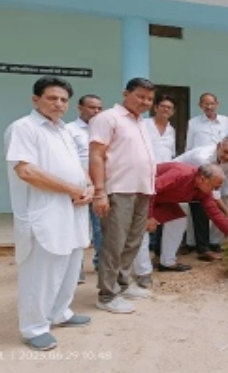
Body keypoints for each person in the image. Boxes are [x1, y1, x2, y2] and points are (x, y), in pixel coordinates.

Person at [5, 76, 92, 351]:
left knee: (70, 265)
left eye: (64, 100)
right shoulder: (24, 128)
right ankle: (33, 327)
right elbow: (26, 171)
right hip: (44, 212)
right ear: (36, 99)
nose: (58, 104)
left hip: (73, 209)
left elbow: (76, 165)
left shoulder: (64, 130)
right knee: (41, 271)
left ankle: (60, 312)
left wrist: (88, 186)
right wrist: (72, 189)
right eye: (52, 98)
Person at [89, 77, 156, 314]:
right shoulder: (108, 118)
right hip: (119, 189)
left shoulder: (141, 122)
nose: (145, 102)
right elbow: (96, 155)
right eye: (140, 96)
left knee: (133, 241)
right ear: (125, 93)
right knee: (114, 243)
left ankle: (124, 284)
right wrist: (99, 192)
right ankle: (107, 295)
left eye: (149, 98)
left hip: (142, 189)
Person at [147, 163, 228, 265]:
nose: (215, 190)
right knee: (141, 230)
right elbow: (151, 189)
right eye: (214, 187)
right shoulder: (181, 174)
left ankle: (167, 262)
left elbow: (214, 213)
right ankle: (143, 271)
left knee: (178, 219)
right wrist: (149, 216)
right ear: (202, 179)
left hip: (163, 200)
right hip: (143, 197)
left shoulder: (204, 191)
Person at [173, 137, 228, 261]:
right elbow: (212, 191)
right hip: (177, 181)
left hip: (196, 184)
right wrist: (227, 212)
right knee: (200, 209)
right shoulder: (203, 158)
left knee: (202, 209)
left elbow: (224, 184)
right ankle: (194, 248)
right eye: (226, 152)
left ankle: (202, 249)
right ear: (218, 146)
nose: (227, 156)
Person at [133, 94, 178, 287]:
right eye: (163, 106)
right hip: (144, 177)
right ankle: (142, 271)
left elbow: (171, 155)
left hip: (165, 179)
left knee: (173, 216)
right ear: (156, 108)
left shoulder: (171, 130)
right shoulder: (143, 124)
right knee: (144, 221)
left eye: (170, 108)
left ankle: (165, 259)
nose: (166, 110)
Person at [66, 94, 103, 282]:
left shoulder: (104, 130)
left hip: (100, 185)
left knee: (100, 228)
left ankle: (101, 264)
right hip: (77, 186)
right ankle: (76, 269)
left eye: (99, 108)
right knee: (76, 228)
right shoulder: (69, 130)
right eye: (92, 107)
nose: (96, 111)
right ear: (80, 108)